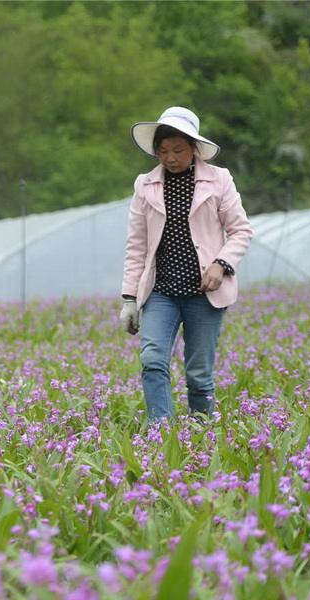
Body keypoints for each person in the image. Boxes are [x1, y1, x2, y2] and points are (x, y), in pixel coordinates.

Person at [121, 106, 253, 421]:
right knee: (152, 359)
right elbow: (137, 245)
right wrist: (129, 298)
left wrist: (221, 264)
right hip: (161, 291)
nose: (170, 157)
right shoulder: (145, 185)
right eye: (163, 151)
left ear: (194, 148)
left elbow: (240, 230)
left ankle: (200, 436)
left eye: (178, 150)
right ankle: (161, 433)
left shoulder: (219, 179)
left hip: (203, 292)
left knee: (198, 372)